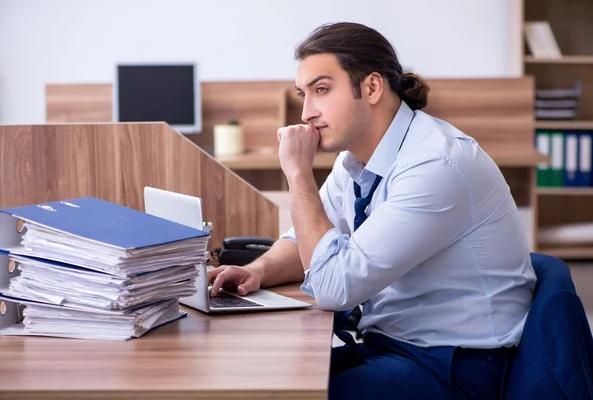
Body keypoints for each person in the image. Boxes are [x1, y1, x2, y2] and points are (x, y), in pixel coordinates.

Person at [208, 22, 537, 399]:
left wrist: (298, 174)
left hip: (457, 365)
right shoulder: (355, 160)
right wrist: (256, 271)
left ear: (372, 87)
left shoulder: (435, 164)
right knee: (262, 375)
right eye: (303, 94)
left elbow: (334, 287)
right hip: (394, 343)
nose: (306, 113)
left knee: (278, 393)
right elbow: (309, 242)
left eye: (321, 90)